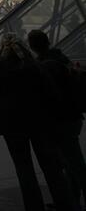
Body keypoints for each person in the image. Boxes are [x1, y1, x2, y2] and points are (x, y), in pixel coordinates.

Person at [0, 34, 73, 211]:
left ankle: (34, 207)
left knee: (24, 168)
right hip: (40, 122)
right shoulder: (36, 66)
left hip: (11, 123)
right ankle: (65, 205)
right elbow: (52, 93)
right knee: (52, 167)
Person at [28, 29, 86, 208]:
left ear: (32, 46)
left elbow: (45, 96)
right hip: (74, 116)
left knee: (73, 162)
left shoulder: (44, 66)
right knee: (72, 161)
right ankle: (72, 199)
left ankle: (71, 200)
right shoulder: (62, 59)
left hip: (60, 119)